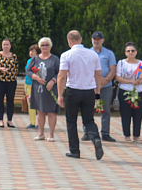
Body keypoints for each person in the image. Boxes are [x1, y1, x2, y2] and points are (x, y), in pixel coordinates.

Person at [56, 30, 104, 160]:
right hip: (89, 91)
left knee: (71, 121)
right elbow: (98, 74)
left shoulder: (66, 55)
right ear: (81, 39)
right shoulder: (93, 55)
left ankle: (75, 151)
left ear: (69, 41)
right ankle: (95, 138)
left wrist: (60, 94)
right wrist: (97, 90)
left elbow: (61, 76)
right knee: (88, 119)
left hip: (73, 90)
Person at [84, 32, 117, 142]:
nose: (96, 41)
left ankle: (105, 133)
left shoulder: (109, 53)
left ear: (102, 40)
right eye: (94, 39)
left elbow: (112, 70)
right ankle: (87, 132)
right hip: (90, 86)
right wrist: (96, 82)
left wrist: (104, 81)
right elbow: (85, 70)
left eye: (98, 39)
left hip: (106, 86)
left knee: (106, 110)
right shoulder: (87, 53)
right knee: (87, 110)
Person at [28, 38, 59, 142]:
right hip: (38, 88)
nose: (44, 47)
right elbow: (28, 71)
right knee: (40, 111)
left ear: (50, 46)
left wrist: (53, 81)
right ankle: (40, 133)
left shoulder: (55, 59)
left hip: (51, 88)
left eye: (46, 45)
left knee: (51, 112)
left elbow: (60, 72)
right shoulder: (35, 59)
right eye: (42, 45)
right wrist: (35, 77)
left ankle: (51, 134)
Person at [115, 42, 142, 142]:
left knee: (138, 114)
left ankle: (136, 135)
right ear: (125, 53)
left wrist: (139, 82)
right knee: (125, 113)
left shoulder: (141, 63)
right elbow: (118, 77)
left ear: (136, 52)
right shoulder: (121, 63)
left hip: (139, 91)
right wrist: (130, 82)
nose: (130, 52)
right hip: (125, 90)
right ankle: (127, 135)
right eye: (128, 51)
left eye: (132, 51)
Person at [0, 39, 20, 128]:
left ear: (10, 46)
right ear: (1, 46)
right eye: (4, 44)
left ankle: (9, 120)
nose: (6, 46)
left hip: (11, 82)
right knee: (0, 100)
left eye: (7, 44)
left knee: (10, 101)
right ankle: (1, 120)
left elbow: (16, 68)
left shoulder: (14, 56)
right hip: (0, 81)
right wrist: (0, 69)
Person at [24, 44, 40, 130]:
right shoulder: (28, 61)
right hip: (27, 84)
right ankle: (32, 122)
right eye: (30, 51)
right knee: (30, 104)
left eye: (33, 51)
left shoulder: (39, 61)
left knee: (38, 104)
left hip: (36, 85)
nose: (31, 53)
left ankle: (39, 123)